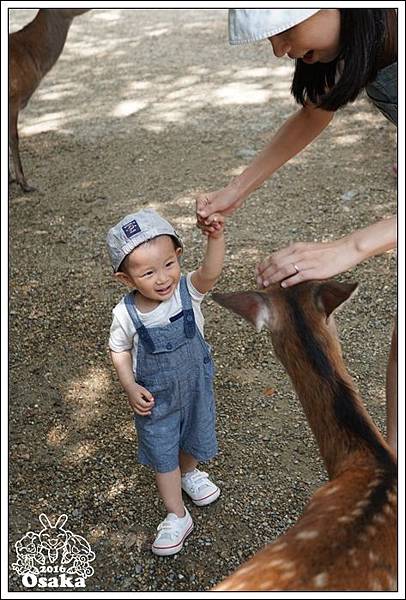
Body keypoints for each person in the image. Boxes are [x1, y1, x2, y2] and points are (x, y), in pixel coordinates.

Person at [196, 8, 397, 453]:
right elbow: (314, 113)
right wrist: (236, 189)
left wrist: (351, 246)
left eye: (284, 31)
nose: (278, 50)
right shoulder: (357, 43)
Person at [106, 208, 225, 555]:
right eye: (147, 273)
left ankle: (189, 473)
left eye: (168, 265)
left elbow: (211, 271)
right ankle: (177, 514)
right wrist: (129, 385)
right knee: (162, 452)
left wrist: (215, 238)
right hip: (156, 402)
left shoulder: (189, 291)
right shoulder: (125, 314)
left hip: (195, 390)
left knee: (194, 437)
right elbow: (119, 350)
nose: (162, 279)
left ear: (178, 257)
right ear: (126, 280)